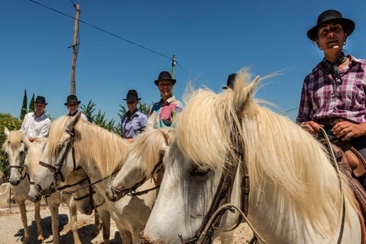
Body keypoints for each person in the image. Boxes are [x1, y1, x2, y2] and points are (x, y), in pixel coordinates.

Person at [296, 9, 366, 188]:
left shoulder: (363, 69)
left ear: (345, 37)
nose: (331, 34)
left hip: (359, 141)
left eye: (336, 29)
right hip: (321, 142)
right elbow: (301, 120)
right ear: (318, 43)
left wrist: (360, 128)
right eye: (324, 32)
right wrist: (305, 126)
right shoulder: (310, 80)